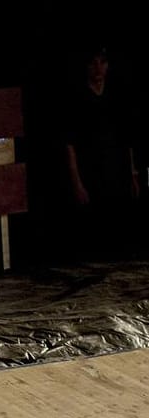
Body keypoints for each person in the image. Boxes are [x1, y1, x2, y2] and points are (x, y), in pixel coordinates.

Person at [62, 45, 141, 259]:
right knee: (94, 237)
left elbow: (127, 138)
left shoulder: (116, 96)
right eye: (93, 63)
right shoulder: (78, 98)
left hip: (116, 172)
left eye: (102, 62)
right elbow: (70, 144)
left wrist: (133, 173)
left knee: (120, 232)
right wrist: (77, 182)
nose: (98, 68)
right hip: (92, 175)